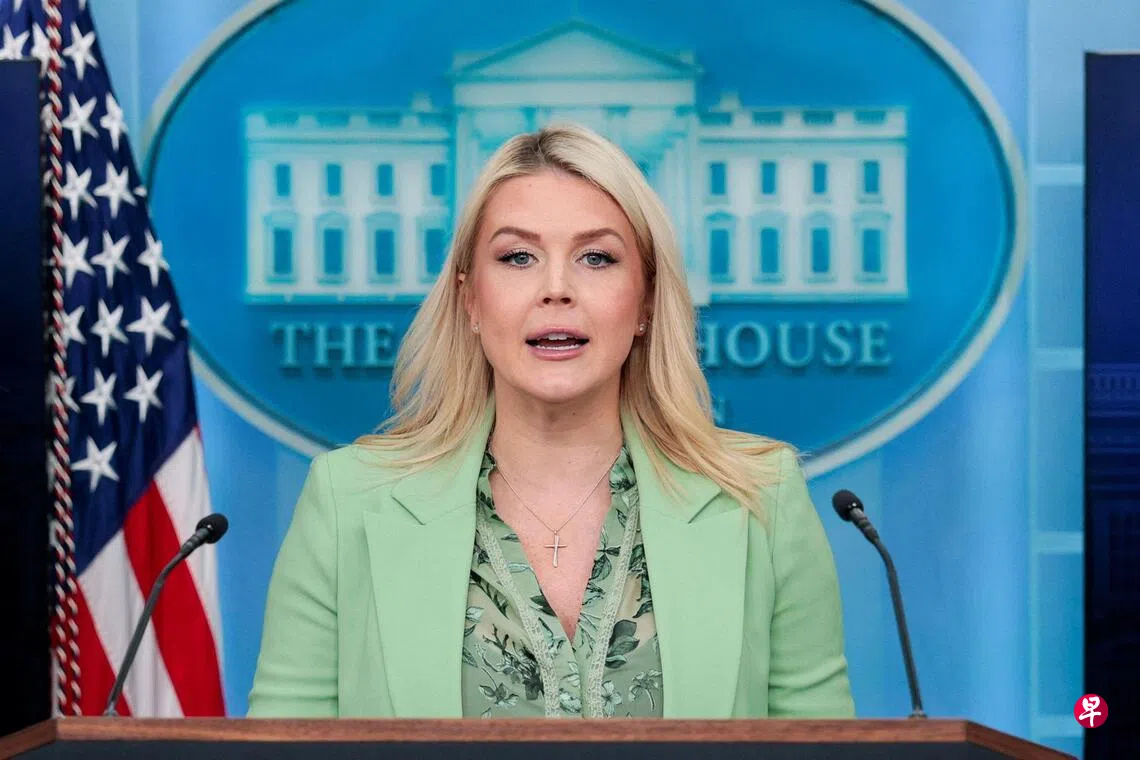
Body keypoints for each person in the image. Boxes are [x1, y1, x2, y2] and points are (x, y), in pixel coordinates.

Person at [246, 123, 855, 719]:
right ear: (470, 299)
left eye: (596, 257)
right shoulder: (347, 500)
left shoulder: (760, 498)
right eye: (518, 257)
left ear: (645, 301)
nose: (556, 288)